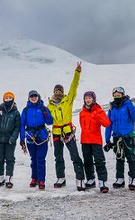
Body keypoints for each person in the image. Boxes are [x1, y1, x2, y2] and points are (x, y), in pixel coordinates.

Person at [47, 62, 86, 191]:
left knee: (74, 155)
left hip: (68, 132)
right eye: (56, 91)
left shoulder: (68, 100)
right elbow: (47, 119)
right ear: (53, 92)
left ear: (63, 92)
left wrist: (77, 72)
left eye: (59, 91)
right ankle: (61, 178)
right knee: (58, 157)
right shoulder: (49, 106)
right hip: (56, 133)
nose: (58, 93)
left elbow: (74, 87)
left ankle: (80, 179)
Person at [104, 87, 135, 191]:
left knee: (131, 158)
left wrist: (129, 104)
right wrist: (107, 140)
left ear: (123, 95)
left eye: (119, 95)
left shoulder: (127, 105)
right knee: (119, 158)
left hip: (128, 136)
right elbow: (108, 124)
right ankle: (120, 179)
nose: (117, 97)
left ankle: (133, 179)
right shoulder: (112, 108)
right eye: (115, 96)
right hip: (116, 137)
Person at [20, 90, 53, 190]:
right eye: (31, 96)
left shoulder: (43, 108)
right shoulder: (25, 110)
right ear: (29, 98)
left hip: (42, 136)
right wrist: (22, 139)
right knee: (33, 159)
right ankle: (34, 178)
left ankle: (41, 180)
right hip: (30, 137)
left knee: (41, 159)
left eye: (35, 96)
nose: (33, 98)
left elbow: (50, 122)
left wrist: (46, 114)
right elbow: (22, 125)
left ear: (38, 97)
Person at [79, 91, 111, 193]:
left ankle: (103, 182)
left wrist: (97, 115)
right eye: (86, 98)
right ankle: (91, 179)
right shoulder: (82, 112)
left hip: (96, 141)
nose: (88, 100)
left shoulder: (99, 111)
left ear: (93, 99)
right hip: (85, 141)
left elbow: (107, 123)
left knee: (99, 161)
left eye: (90, 98)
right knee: (87, 161)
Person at [0, 92, 20, 188]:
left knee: (10, 159)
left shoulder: (16, 112)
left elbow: (17, 127)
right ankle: (0, 177)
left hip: (9, 140)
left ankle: (9, 178)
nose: (8, 99)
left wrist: (13, 138)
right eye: (6, 98)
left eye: (9, 98)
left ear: (13, 99)